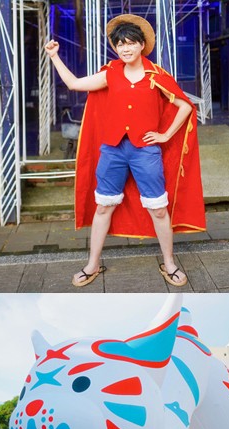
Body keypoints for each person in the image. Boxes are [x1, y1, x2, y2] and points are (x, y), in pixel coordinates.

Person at [45, 15, 204, 288]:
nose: (125, 49)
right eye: (120, 44)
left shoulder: (156, 76)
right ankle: (92, 264)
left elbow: (186, 106)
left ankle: (169, 263)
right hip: (113, 151)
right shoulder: (110, 73)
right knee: (103, 206)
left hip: (146, 152)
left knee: (158, 209)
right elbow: (74, 84)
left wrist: (165, 135)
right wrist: (55, 57)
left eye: (131, 43)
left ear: (142, 45)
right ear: (116, 48)